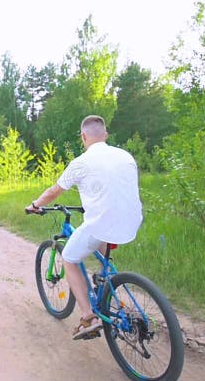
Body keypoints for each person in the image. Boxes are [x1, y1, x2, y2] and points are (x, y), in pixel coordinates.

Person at [26, 115, 143, 340]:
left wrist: (35, 205)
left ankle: (88, 316)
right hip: (131, 221)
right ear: (105, 135)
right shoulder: (125, 156)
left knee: (70, 258)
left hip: (102, 224)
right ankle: (106, 284)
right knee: (101, 248)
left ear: (83, 136)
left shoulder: (81, 162)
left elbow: (54, 191)